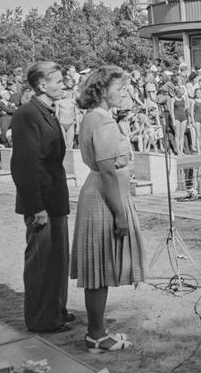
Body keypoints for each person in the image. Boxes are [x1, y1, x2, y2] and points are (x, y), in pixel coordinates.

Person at [71, 66, 144, 354]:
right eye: (120, 89)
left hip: (101, 193)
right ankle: (96, 336)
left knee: (99, 268)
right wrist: (120, 213)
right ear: (102, 92)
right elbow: (108, 172)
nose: (125, 93)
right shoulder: (103, 122)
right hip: (104, 197)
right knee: (99, 269)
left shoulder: (95, 117)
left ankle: (97, 330)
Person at [10, 61, 74, 333]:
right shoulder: (27, 113)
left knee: (58, 259)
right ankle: (41, 318)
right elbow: (24, 165)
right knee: (41, 263)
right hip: (42, 203)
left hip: (53, 198)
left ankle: (56, 310)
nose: (63, 85)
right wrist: (36, 207)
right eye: (58, 81)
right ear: (41, 85)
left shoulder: (47, 111)